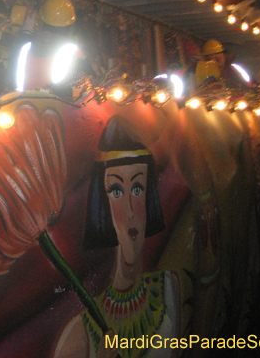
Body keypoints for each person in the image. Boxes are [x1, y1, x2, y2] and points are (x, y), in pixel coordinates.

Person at [52, 115, 181, 358]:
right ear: (103, 205)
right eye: (116, 190)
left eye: (137, 188)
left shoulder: (168, 290)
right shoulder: (80, 334)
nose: (131, 209)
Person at [14, 0, 91, 94]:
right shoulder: (72, 50)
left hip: (20, 102)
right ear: (69, 25)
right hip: (54, 106)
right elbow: (85, 77)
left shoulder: (26, 45)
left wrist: (28, 26)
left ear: (43, 20)